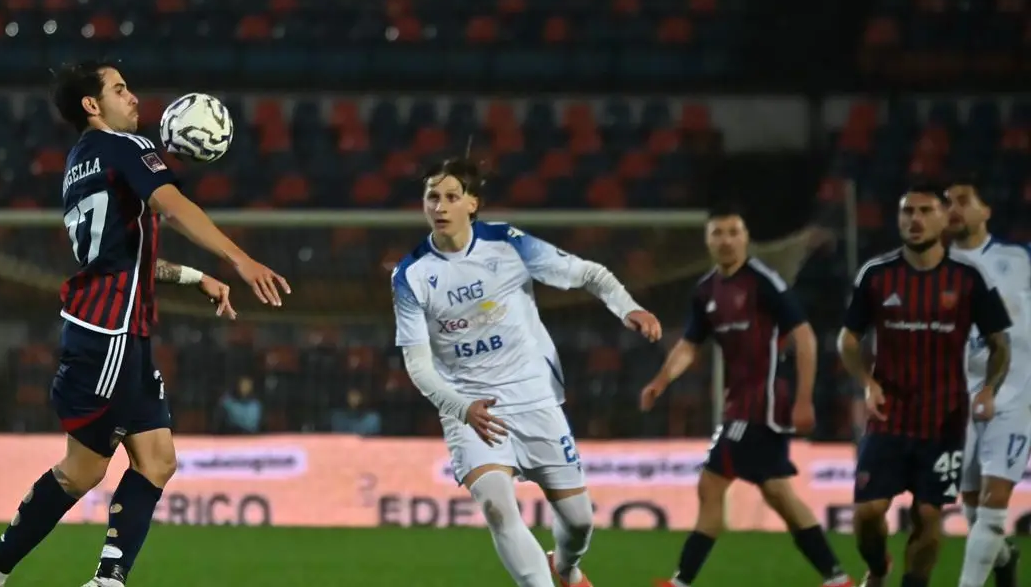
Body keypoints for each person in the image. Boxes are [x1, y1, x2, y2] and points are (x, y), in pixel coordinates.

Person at [0, 60, 289, 587]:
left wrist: (193, 275)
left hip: (112, 332)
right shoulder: (126, 147)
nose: (133, 97)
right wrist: (238, 259)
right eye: (119, 89)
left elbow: (121, 257)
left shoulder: (78, 162)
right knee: (82, 471)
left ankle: (107, 580)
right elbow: (171, 205)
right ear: (92, 105)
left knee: (157, 459)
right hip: (109, 334)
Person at [391, 158, 662, 587]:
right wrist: (461, 407)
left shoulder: (508, 244)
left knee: (578, 522)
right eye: (432, 197)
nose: (440, 206)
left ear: (472, 203)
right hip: (473, 407)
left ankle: (568, 569)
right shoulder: (410, 275)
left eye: (451, 197)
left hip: (534, 397)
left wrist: (628, 307)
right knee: (498, 508)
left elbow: (589, 274)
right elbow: (417, 364)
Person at [641, 208, 850, 587]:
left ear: (745, 238)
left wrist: (804, 398)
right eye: (717, 233)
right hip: (740, 403)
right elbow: (690, 344)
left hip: (765, 403)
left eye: (733, 232)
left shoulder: (763, 281)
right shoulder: (706, 290)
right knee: (778, 494)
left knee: (712, 484)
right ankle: (837, 578)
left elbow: (803, 336)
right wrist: (661, 380)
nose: (725, 239)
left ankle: (681, 582)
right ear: (708, 241)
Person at [839, 185, 1012, 587]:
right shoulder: (877, 275)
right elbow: (848, 339)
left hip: (944, 418)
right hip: (889, 414)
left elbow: (999, 343)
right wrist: (866, 382)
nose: (914, 219)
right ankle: (879, 569)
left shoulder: (968, 279)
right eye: (906, 212)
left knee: (930, 514)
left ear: (942, 219)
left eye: (924, 211)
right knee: (867, 513)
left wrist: (988, 389)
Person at [944, 176, 1027, 587]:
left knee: (993, 509)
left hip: (1016, 396)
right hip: (959, 400)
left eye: (963, 201)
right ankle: (1008, 559)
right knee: (975, 513)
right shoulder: (935, 269)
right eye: (948, 203)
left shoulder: (1019, 258)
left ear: (985, 211)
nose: (953, 209)